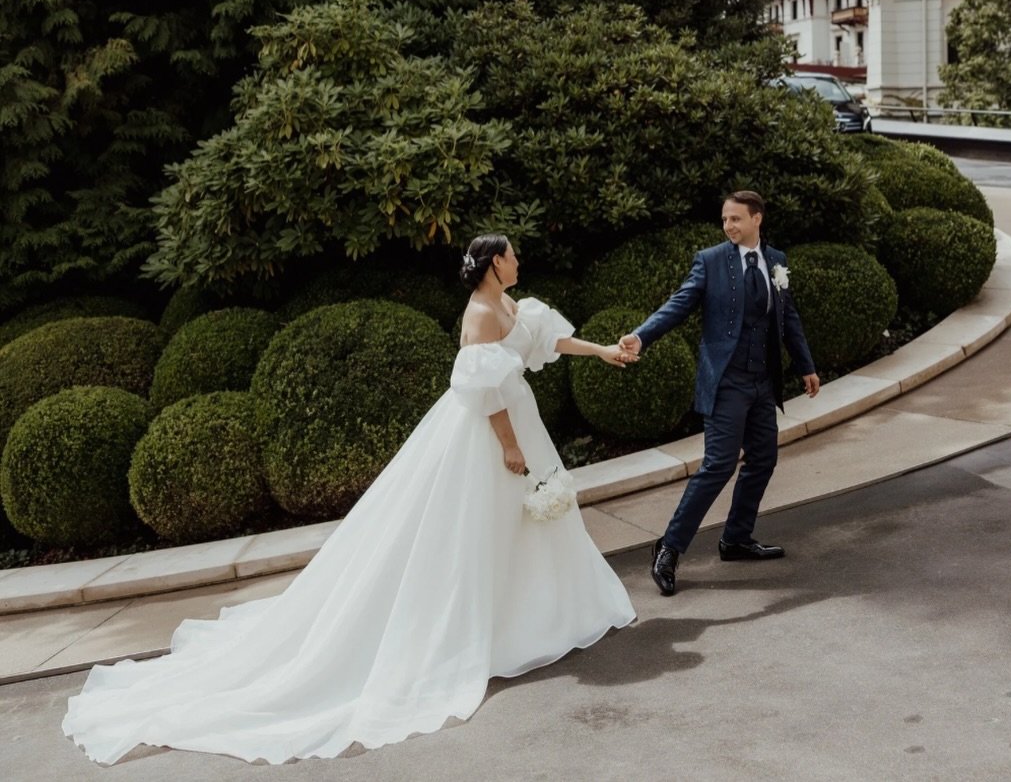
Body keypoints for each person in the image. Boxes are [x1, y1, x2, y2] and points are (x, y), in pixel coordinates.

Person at [63, 235, 637, 765]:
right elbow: (484, 390)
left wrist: (605, 351)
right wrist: (510, 448)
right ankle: (487, 627)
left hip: (518, 420)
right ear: (493, 265)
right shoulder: (482, 314)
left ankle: (542, 615)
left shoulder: (511, 306)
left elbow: (546, 337)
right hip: (492, 433)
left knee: (523, 524)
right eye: (511, 255)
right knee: (477, 528)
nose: (519, 262)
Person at [618, 191, 820, 597]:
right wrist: (642, 336)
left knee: (763, 458)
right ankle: (669, 549)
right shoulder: (710, 261)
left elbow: (788, 317)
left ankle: (736, 539)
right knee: (718, 465)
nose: (728, 226)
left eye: (736, 219)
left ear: (757, 219)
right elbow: (679, 304)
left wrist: (806, 365)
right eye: (725, 219)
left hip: (763, 382)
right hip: (727, 380)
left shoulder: (776, 260)